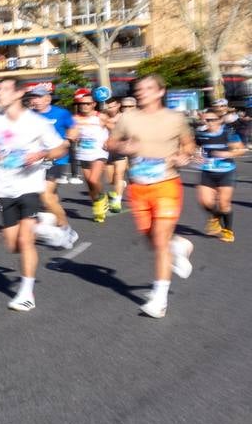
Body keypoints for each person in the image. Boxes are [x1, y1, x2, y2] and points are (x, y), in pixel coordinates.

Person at [106, 74, 196, 320]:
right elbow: (110, 144)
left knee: (159, 238)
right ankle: (179, 245)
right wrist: (123, 148)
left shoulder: (175, 118)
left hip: (166, 183)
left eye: (148, 88)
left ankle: (159, 299)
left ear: (160, 91)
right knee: (153, 240)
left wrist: (183, 156)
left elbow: (189, 145)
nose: (142, 91)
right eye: (139, 88)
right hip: (139, 186)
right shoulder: (127, 118)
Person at [0, 79, 68, 312]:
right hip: (5, 187)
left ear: (19, 93)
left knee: (26, 238)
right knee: (11, 243)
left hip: (30, 185)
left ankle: (26, 293)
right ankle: (44, 229)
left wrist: (42, 153)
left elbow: (61, 148)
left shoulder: (36, 122)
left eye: (4, 89)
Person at [27, 83, 79, 246]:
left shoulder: (61, 113)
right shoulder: (28, 115)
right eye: (33, 97)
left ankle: (66, 230)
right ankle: (52, 222)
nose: (34, 100)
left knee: (45, 196)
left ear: (47, 98)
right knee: (52, 198)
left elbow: (74, 129)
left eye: (38, 97)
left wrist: (67, 142)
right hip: (37, 159)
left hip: (56, 159)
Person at [194, 107, 243, 243]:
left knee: (224, 203)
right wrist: (195, 155)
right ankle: (215, 217)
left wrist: (228, 154)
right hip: (207, 171)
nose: (209, 123)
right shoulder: (201, 134)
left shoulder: (228, 132)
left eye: (212, 120)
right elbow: (194, 148)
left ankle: (228, 231)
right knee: (205, 202)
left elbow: (240, 149)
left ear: (220, 120)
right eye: (207, 120)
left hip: (226, 172)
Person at [69, 89, 113, 223]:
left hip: (100, 152)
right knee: (90, 184)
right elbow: (72, 132)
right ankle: (99, 201)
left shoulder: (101, 117)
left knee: (94, 180)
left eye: (88, 104)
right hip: (84, 152)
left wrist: (110, 140)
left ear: (93, 104)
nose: (84, 106)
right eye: (82, 104)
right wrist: (72, 136)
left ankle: (100, 203)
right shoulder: (75, 118)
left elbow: (115, 129)